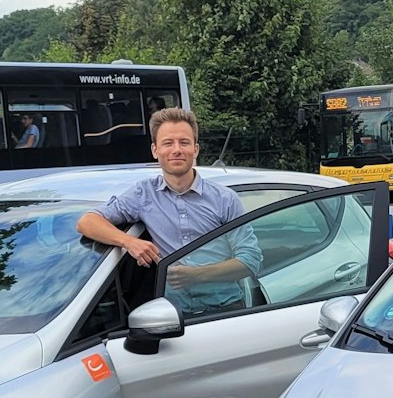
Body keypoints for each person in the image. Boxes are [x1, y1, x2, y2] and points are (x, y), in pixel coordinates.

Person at [76, 107, 261, 314]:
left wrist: (196, 275)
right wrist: (129, 242)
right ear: (155, 150)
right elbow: (87, 222)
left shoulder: (225, 199)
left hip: (225, 312)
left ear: (196, 149)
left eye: (184, 142)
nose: (176, 150)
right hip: (172, 316)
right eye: (167, 143)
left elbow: (250, 261)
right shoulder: (143, 194)